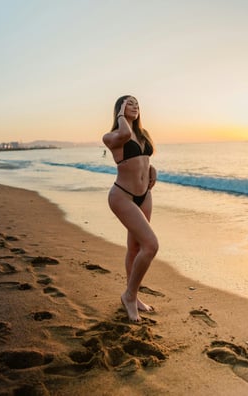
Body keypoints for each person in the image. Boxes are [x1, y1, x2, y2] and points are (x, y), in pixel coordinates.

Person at [102, 95, 158, 322]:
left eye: (137, 104)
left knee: (135, 248)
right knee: (151, 246)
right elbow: (124, 135)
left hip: (145, 196)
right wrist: (120, 116)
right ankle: (129, 296)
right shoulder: (111, 136)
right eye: (129, 104)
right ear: (119, 109)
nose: (135, 107)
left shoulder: (143, 134)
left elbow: (142, 159)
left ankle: (133, 295)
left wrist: (153, 170)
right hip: (122, 197)